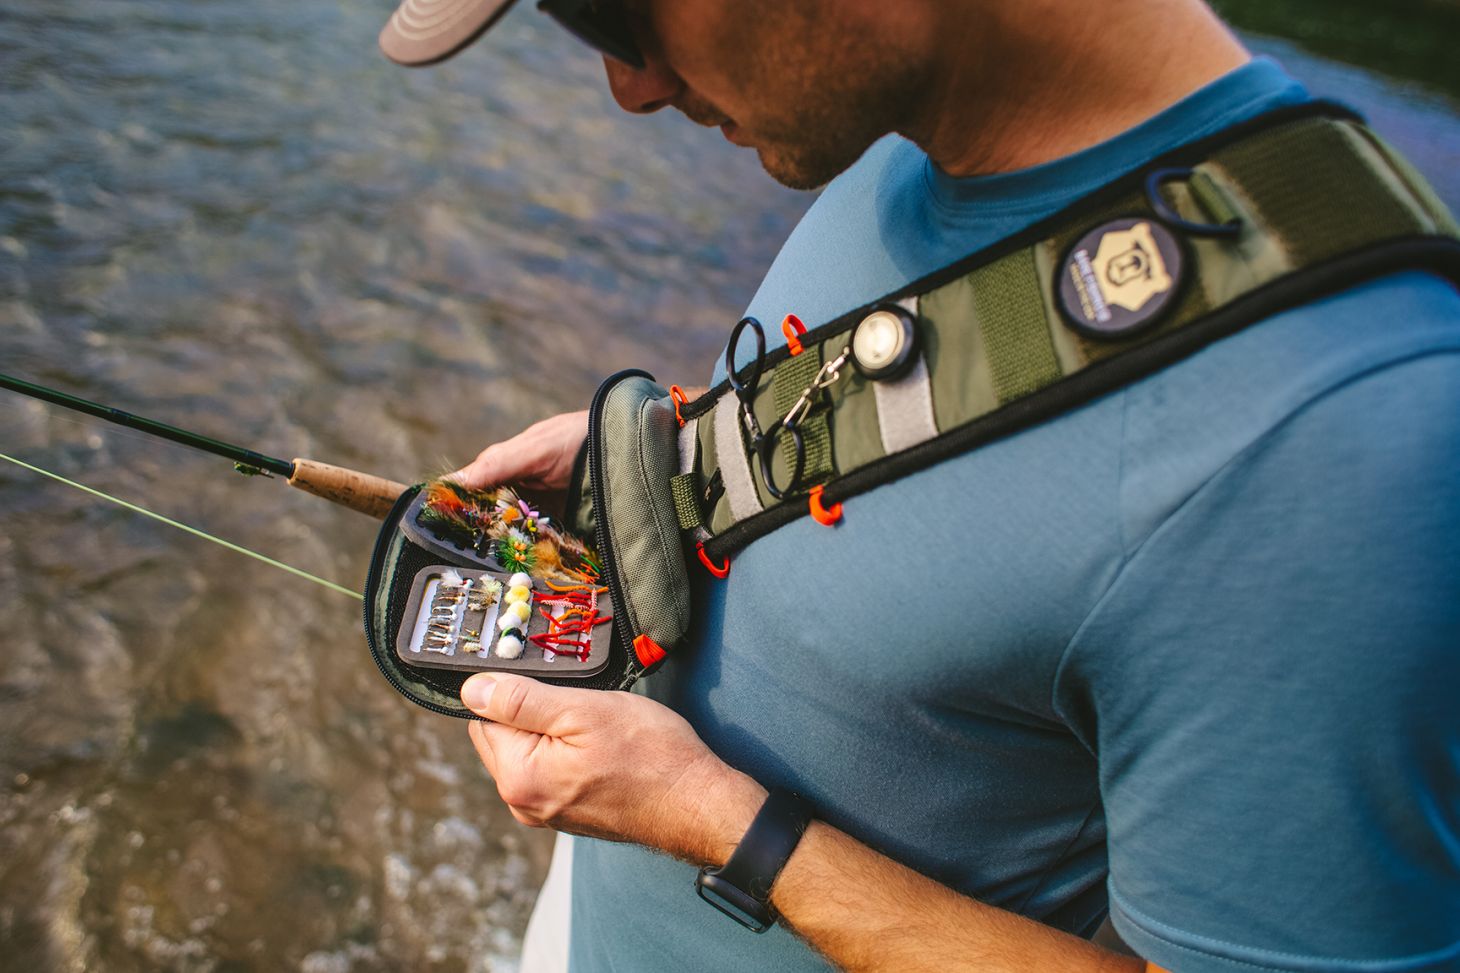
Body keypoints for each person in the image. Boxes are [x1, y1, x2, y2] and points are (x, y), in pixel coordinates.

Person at [379, 1, 1460, 971]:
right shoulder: (902, 132)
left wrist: (714, 822)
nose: (630, 83)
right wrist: (691, 443)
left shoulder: (1341, 443)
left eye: (614, 11)